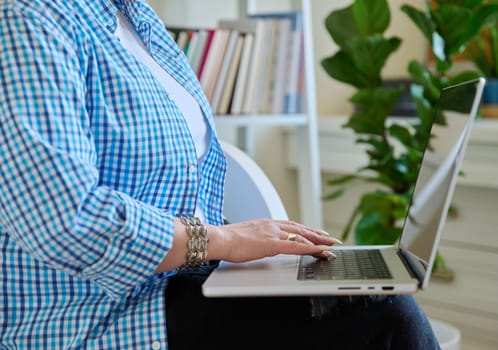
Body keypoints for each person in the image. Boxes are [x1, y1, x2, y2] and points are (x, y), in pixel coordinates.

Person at [0, 0, 440, 349]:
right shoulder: (28, 19)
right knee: (384, 318)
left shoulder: (138, 19)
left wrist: (260, 254)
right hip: (95, 321)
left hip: (181, 285)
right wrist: (222, 241)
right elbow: (63, 220)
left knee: (373, 296)